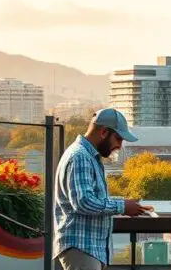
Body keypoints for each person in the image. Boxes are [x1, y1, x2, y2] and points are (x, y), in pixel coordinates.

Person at [54, 108, 152, 270]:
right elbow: (84, 202)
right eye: (118, 138)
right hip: (81, 247)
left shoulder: (87, 156)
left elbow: (91, 199)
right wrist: (122, 206)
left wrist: (125, 204)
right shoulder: (80, 157)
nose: (119, 146)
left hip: (87, 249)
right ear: (104, 132)